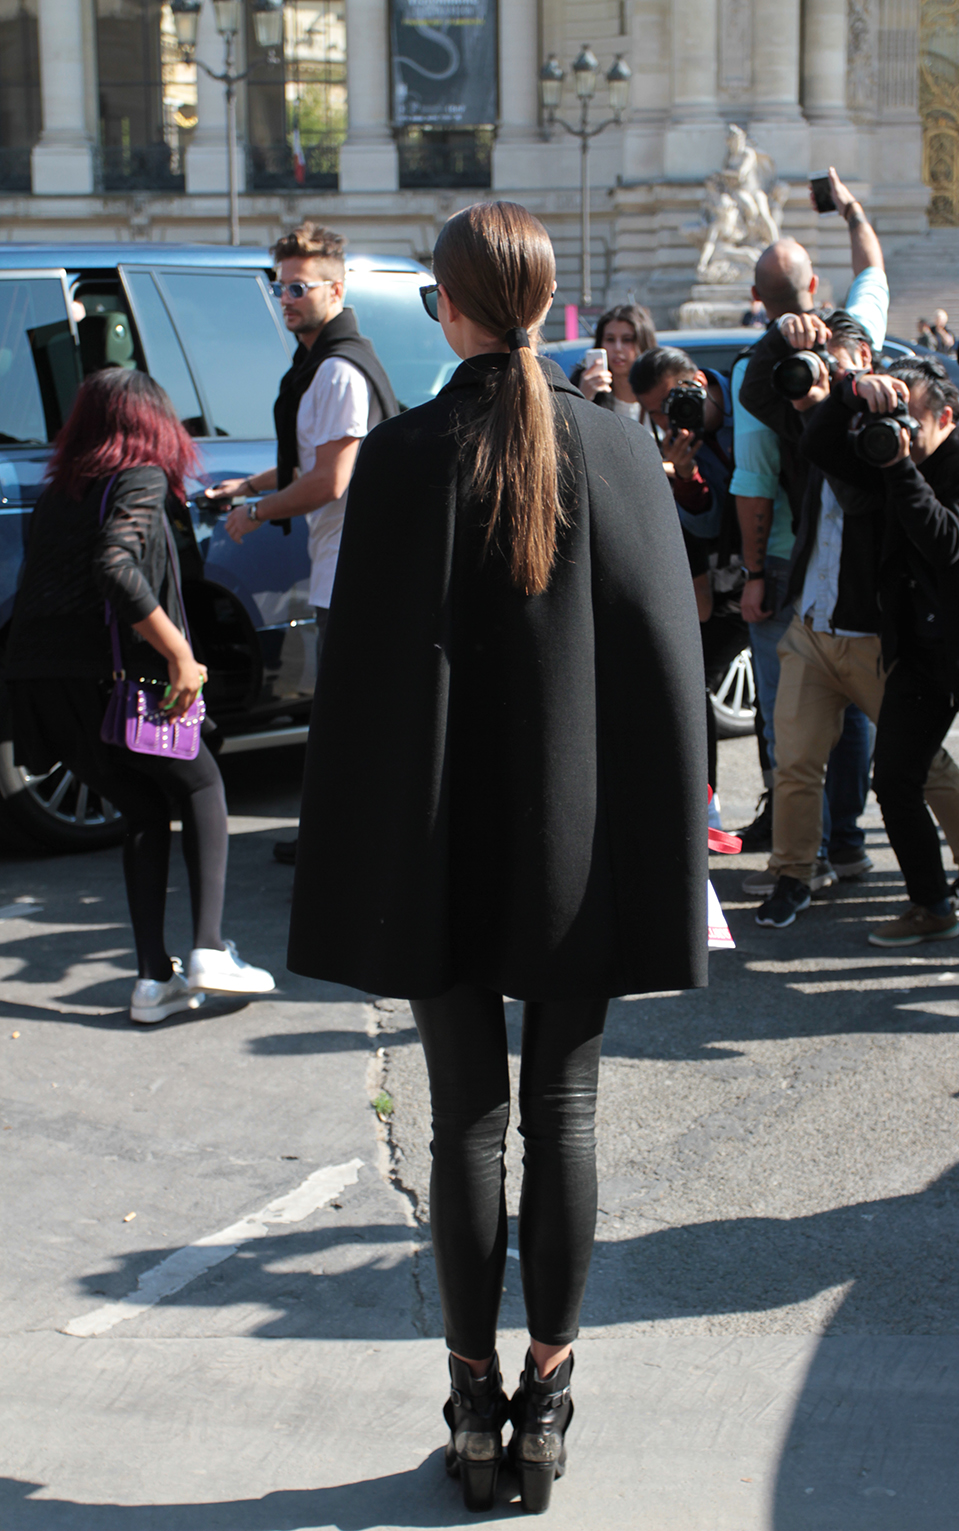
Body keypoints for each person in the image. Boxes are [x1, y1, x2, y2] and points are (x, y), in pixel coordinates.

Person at [287, 202, 708, 1514]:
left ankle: (476, 1407)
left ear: (454, 308)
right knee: (564, 1108)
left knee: (466, 1112)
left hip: (439, 836)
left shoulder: (408, 454)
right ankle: (549, 1393)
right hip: (578, 836)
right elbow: (668, 663)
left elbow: (364, 685)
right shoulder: (615, 443)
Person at [4, 368, 274, 1023]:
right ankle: (209, 950)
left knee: (145, 808)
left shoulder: (60, 490)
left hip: (44, 685)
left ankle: (153, 981)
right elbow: (116, 565)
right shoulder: (141, 476)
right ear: (154, 421)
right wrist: (179, 653)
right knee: (203, 786)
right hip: (117, 681)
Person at [739, 314, 959, 929]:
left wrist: (852, 405)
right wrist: (784, 340)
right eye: (826, 363)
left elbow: (862, 492)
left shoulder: (894, 434)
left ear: (870, 363)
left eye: (843, 363)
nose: (831, 373)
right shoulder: (815, 420)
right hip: (812, 621)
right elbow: (757, 391)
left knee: (921, 765)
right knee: (794, 761)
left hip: (873, 633)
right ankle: (795, 873)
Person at [203, 220, 399, 866]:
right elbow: (309, 460)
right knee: (344, 711)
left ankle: (351, 849)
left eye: (297, 287)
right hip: (340, 564)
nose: (284, 299)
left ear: (335, 290)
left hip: (355, 568)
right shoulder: (319, 365)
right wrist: (249, 483)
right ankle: (338, 838)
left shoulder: (339, 371)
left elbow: (330, 479)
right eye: (278, 286)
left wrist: (256, 512)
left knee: (352, 713)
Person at [837, 356, 959, 974]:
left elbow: (947, 539)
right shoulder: (888, 448)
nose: (899, 432)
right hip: (922, 646)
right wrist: (851, 394)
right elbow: (818, 448)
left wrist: (898, 467)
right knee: (893, 779)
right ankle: (931, 907)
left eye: (909, 420)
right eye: (892, 417)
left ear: (945, 414)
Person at [730, 165, 886, 871]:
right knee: (851, 710)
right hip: (856, 562)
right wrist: (850, 211)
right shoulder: (856, 333)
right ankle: (841, 840)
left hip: (793, 561)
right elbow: (873, 272)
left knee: (792, 716)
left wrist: (754, 573)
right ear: (815, 287)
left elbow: (753, 482)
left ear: (756, 300)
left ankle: (816, 848)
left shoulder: (765, 370)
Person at [630, 345, 746, 815]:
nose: (667, 420)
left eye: (670, 404)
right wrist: (685, 475)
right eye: (656, 415)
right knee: (690, 688)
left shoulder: (748, 409)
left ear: (697, 381)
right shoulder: (682, 444)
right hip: (729, 586)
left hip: (774, 574)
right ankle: (706, 810)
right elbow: (709, 524)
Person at [569, 302, 656, 425]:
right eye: (610, 339)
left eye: (627, 340)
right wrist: (583, 397)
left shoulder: (659, 392)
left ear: (643, 343)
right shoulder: (582, 386)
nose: (617, 348)